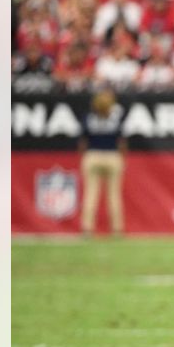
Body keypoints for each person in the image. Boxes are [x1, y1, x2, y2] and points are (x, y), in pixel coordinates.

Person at [78, 88, 128, 237]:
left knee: (90, 194)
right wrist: (122, 157)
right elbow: (122, 142)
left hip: (92, 155)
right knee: (114, 195)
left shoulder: (88, 118)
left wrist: (85, 155)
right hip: (112, 156)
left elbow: (82, 142)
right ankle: (117, 229)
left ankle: (87, 229)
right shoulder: (116, 118)